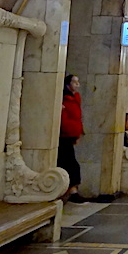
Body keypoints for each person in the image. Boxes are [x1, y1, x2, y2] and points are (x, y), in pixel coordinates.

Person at [59, 74, 86, 203]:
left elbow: (77, 117)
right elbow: (65, 119)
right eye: (75, 82)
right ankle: (71, 190)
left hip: (71, 134)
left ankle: (71, 190)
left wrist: (78, 133)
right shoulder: (64, 99)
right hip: (64, 135)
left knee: (70, 163)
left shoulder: (76, 98)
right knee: (70, 163)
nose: (77, 85)